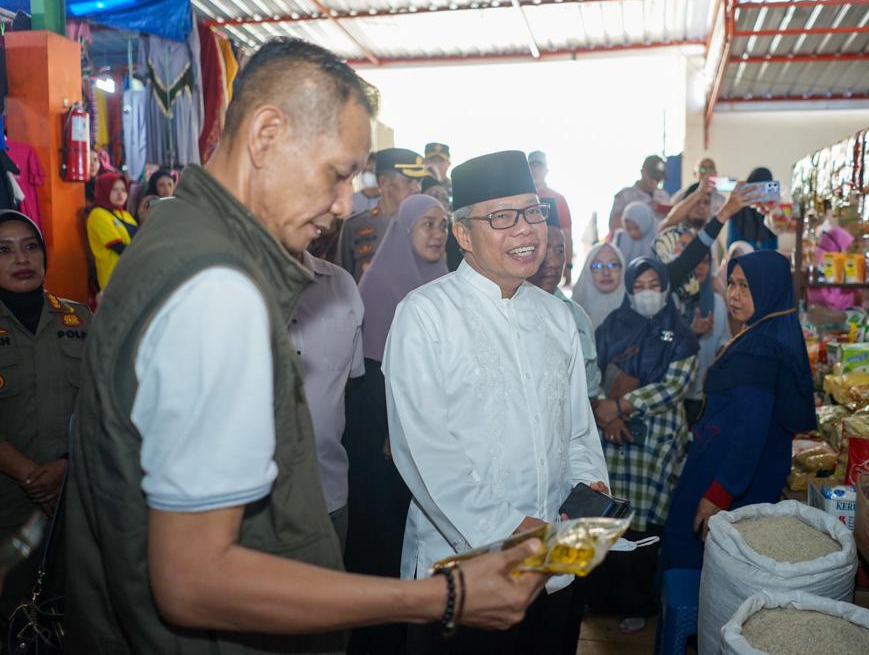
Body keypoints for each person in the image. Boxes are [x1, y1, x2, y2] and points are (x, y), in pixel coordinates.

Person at [63, 38, 546, 653]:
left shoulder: (177, 239)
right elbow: (194, 578)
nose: (345, 204)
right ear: (267, 134)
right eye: (338, 173)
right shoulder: (217, 286)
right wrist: (442, 596)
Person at [385, 150, 609, 654]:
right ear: (463, 234)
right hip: (463, 575)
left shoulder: (556, 317)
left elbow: (576, 431)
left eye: (534, 212)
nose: (527, 230)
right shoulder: (425, 316)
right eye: (503, 217)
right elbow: (425, 456)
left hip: (554, 568)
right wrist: (512, 531)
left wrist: (589, 495)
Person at [662, 250, 816, 571]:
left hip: (729, 473)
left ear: (768, 288)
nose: (734, 294)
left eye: (746, 286)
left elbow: (751, 430)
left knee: (693, 555)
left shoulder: (757, 352)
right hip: (741, 469)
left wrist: (719, 492)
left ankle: (691, 621)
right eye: (731, 283)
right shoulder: (765, 333)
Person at [345, 194, 449, 655]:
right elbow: (368, 376)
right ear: (404, 230)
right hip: (382, 435)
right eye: (427, 224)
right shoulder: (380, 285)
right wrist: (395, 428)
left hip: (433, 435)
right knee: (385, 539)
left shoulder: (444, 283)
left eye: (443, 225)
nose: (437, 233)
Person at [589, 257, 699, 634]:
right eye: (640, 285)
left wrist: (620, 406)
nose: (648, 292)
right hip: (613, 437)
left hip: (656, 442)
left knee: (643, 525)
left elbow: (674, 387)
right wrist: (609, 413)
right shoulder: (611, 327)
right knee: (607, 518)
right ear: (630, 290)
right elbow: (593, 373)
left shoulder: (681, 334)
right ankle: (601, 597)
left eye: (655, 284)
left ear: (666, 288)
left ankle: (637, 603)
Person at [0, 211, 90, 538]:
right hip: (9, 507)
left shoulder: (79, 318)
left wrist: (65, 465)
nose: (21, 259)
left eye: (30, 247)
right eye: (4, 250)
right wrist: (31, 477)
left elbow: (103, 403)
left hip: (78, 493)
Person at [288, 247, 365, 553]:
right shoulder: (226, 284)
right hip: (249, 508)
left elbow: (347, 380)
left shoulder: (341, 285)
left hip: (328, 495)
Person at [654, 229, 730, 426]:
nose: (699, 266)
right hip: (670, 393)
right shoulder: (667, 301)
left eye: (705, 261)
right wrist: (690, 333)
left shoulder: (717, 302)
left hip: (704, 391)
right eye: (695, 260)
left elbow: (723, 339)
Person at [526, 204, 599, 398]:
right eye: (544, 249)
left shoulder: (577, 317)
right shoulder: (507, 310)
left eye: (560, 250)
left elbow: (590, 389)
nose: (555, 262)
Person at [335, 147, 430, 282]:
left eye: (419, 181)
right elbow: (342, 282)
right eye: (409, 180)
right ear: (384, 182)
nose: (417, 188)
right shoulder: (355, 226)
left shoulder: (427, 226)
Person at [86, 172, 138, 290]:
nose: (120, 194)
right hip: (114, 279)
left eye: (123, 190)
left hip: (131, 275)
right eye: (114, 189)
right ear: (104, 190)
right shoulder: (98, 214)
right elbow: (118, 246)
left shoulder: (125, 214)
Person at [528, 150, 573, 285]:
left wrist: (568, 265)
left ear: (546, 170)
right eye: (532, 165)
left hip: (550, 266)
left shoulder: (558, 199)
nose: (535, 169)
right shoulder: (517, 198)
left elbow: (567, 236)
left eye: (539, 166)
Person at [609, 155, 671, 233]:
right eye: (653, 177)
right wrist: (643, 210)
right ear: (643, 172)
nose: (655, 182)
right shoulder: (625, 195)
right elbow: (613, 225)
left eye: (658, 179)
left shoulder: (664, 196)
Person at [572, 242, 626, 330]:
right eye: (597, 265)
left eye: (613, 265)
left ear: (622, 269)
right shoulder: (572, 313)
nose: (606, 272)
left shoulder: (637, 310)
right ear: (588, 272)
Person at [727, 167, 779, 250]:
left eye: (764, 187)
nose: (760, 193)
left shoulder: (771, 211)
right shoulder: (738, 210)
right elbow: (732, 246)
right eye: (757, 187)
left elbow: (773, 248)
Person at [808, 226, 856, 311]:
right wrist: (853, 299)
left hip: (815, 310)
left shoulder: (819, 254)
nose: (847, 253)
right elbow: (828, 299)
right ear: (839, 245)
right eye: (847, 247)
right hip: (821, 312)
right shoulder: (826, 259)